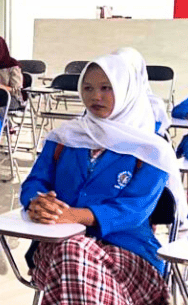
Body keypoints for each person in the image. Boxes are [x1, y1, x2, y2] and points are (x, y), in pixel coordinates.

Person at [21, 55, 184, 305]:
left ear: (126, 91)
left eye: (106, 88)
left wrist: (75, 215)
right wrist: (37, 202)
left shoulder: (151, 150)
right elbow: (35, 182)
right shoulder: (64, 138)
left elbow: (133, 211)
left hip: (129, 255)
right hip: (57, 247)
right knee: (71, 255)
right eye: (88, 88)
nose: (95, 96)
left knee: (72, 256)